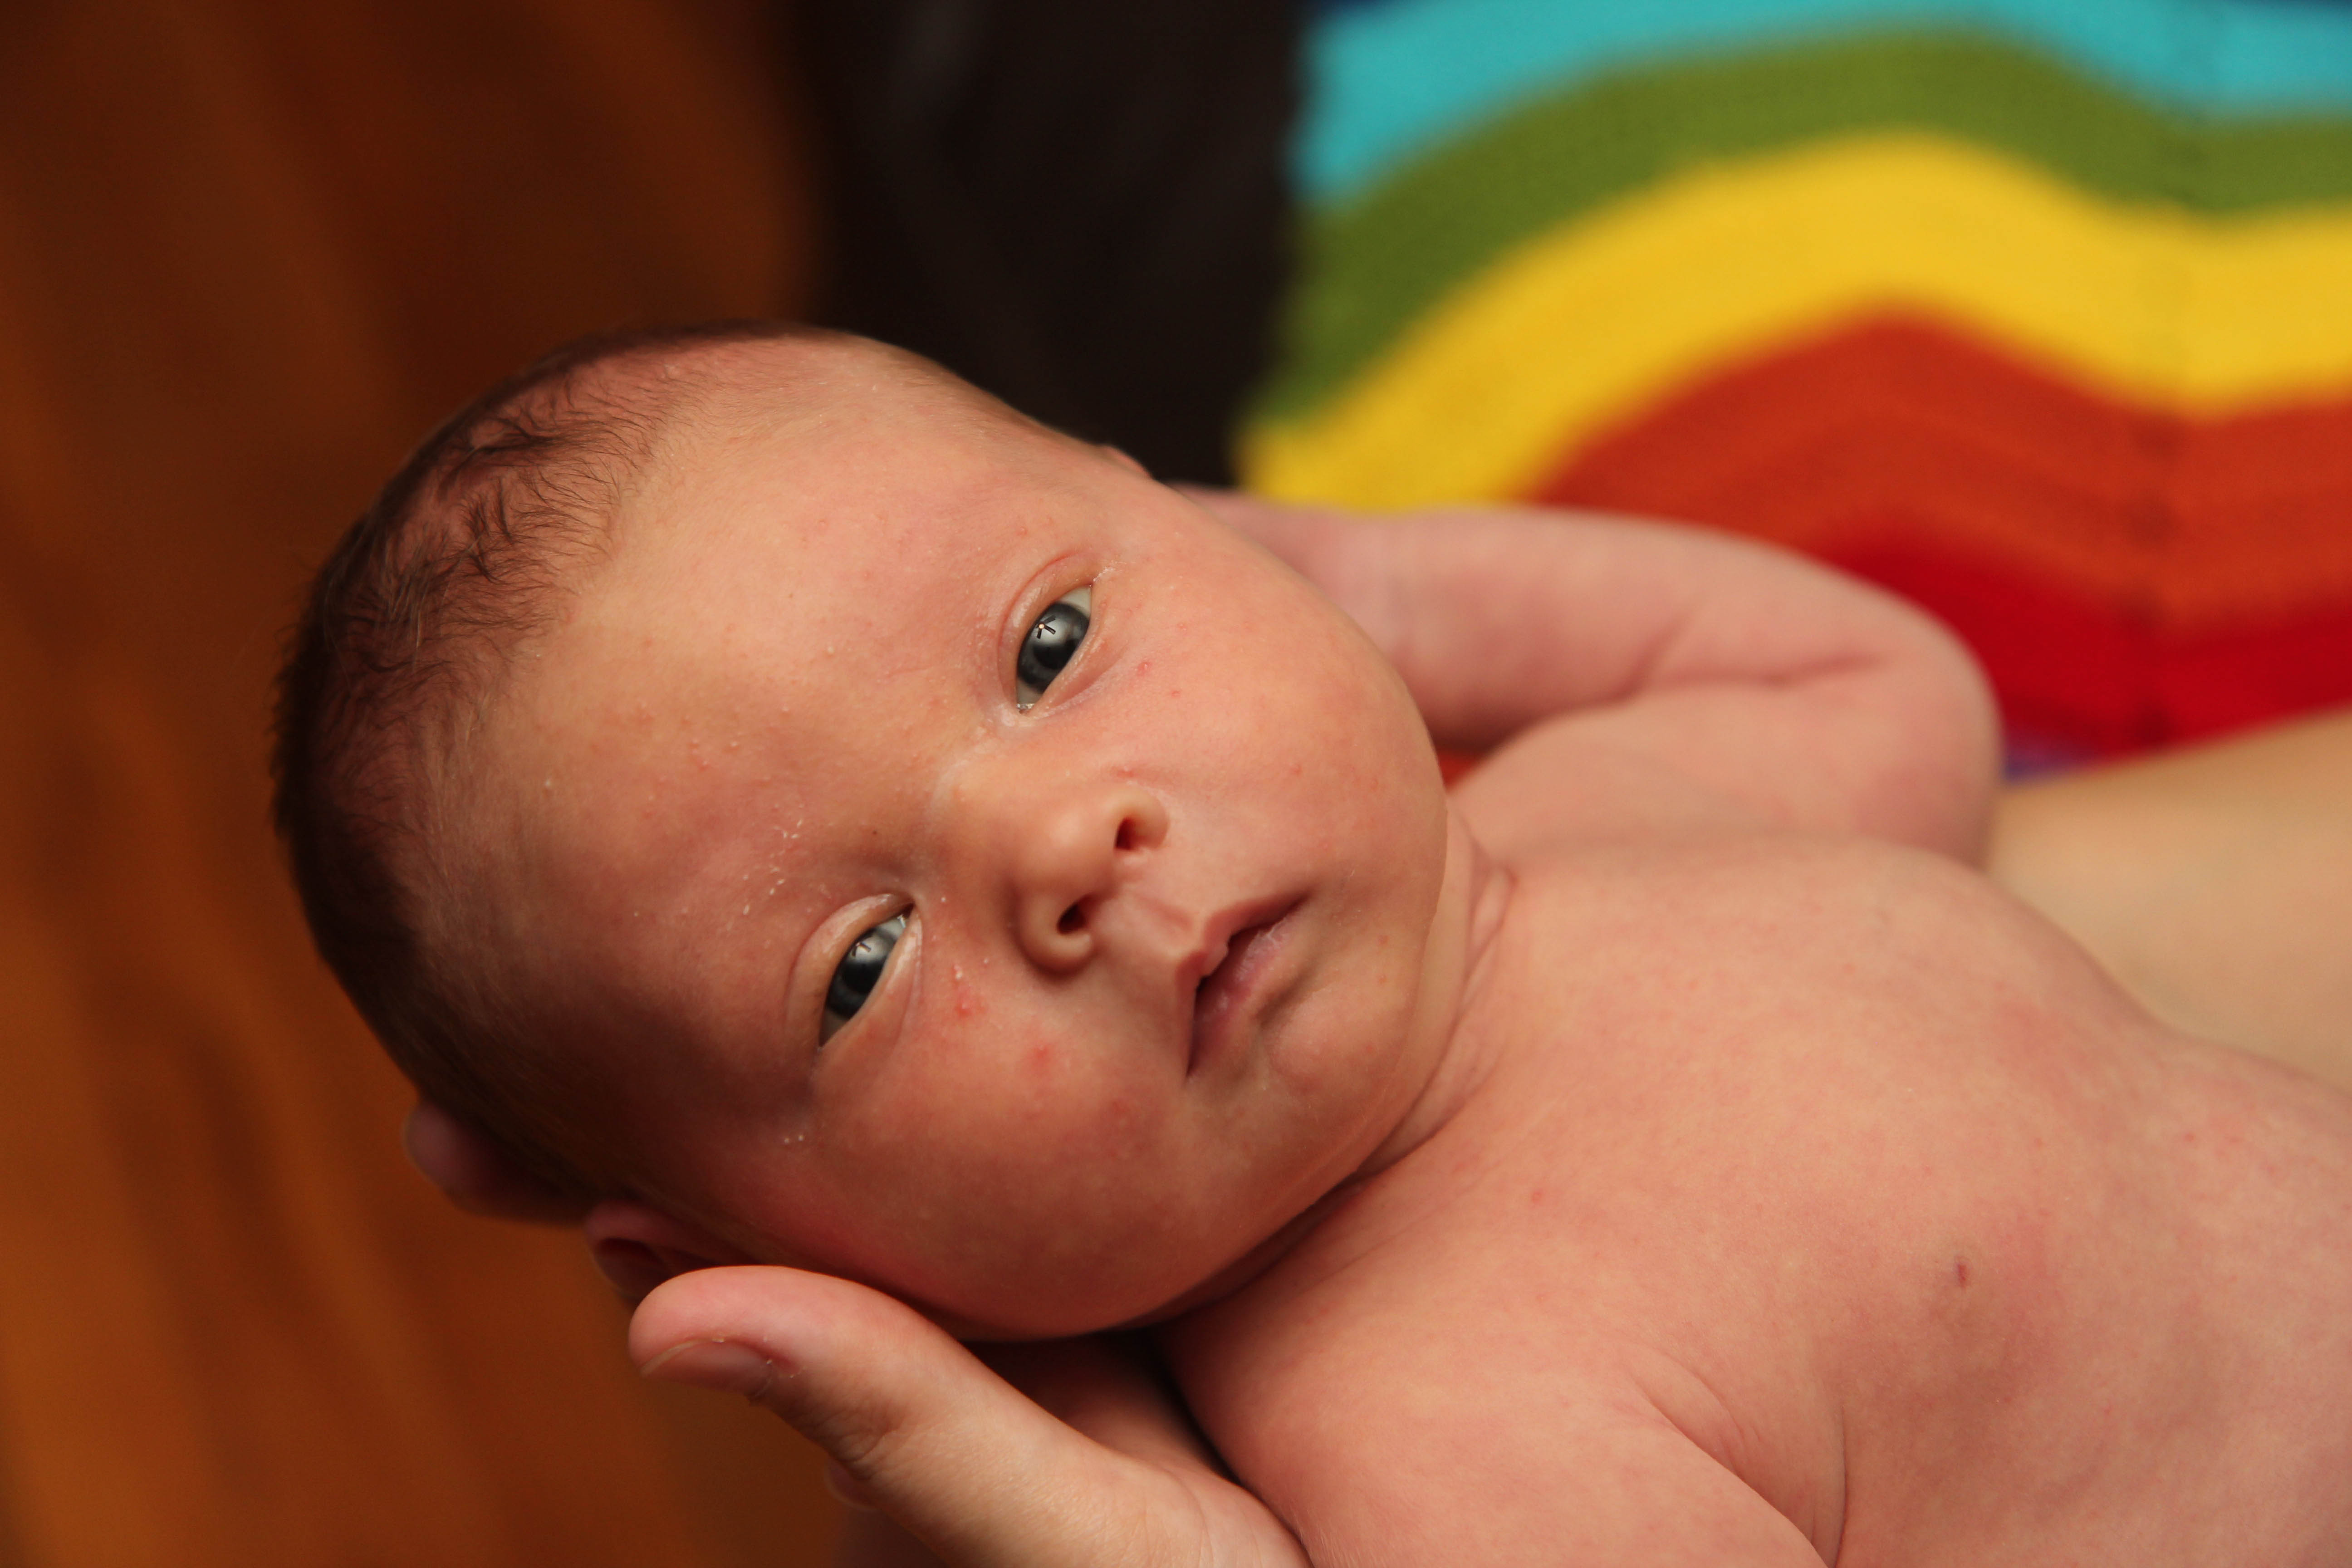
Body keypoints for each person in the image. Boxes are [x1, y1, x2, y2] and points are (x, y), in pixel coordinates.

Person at [277, 322, 2352, 1565]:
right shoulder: (1437, 1433)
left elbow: (1886, 693)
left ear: (1191, 521)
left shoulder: (1610, 815)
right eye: (860, 965)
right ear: (758, 1245)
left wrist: (1386, 586)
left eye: (1053, 645)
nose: (1064, 843)